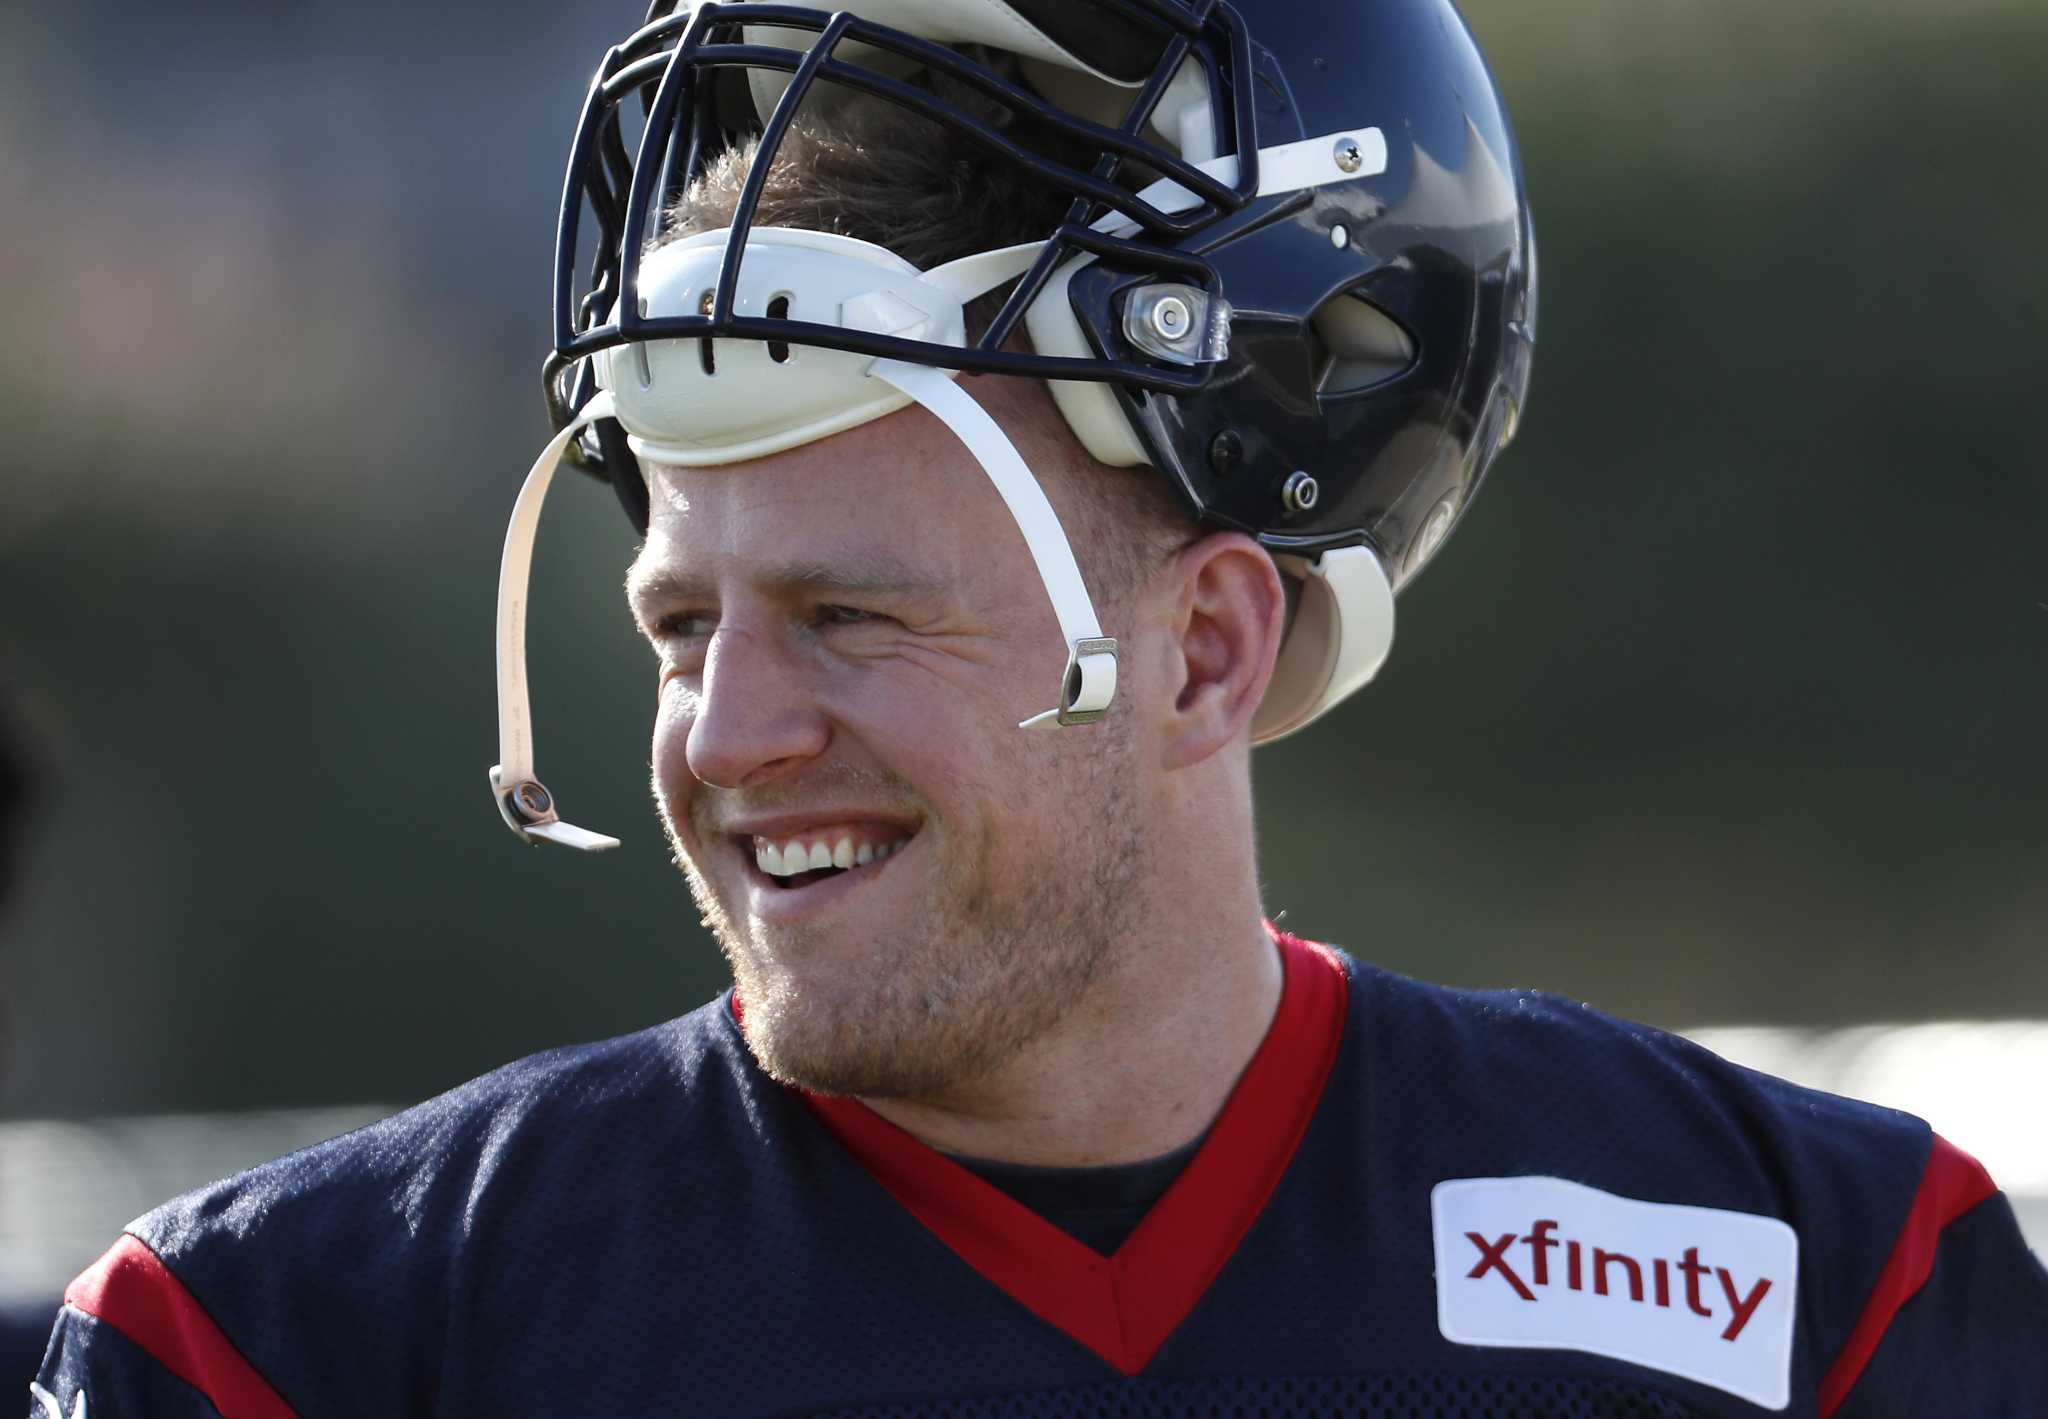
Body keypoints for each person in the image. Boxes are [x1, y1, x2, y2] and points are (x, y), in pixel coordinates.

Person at [32, 1, 2047, 1414]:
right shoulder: (298, 1348)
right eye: (678, 626)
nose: (724, 736)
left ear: (1205, 651)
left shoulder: (1814, 1288)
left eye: (845, 614)